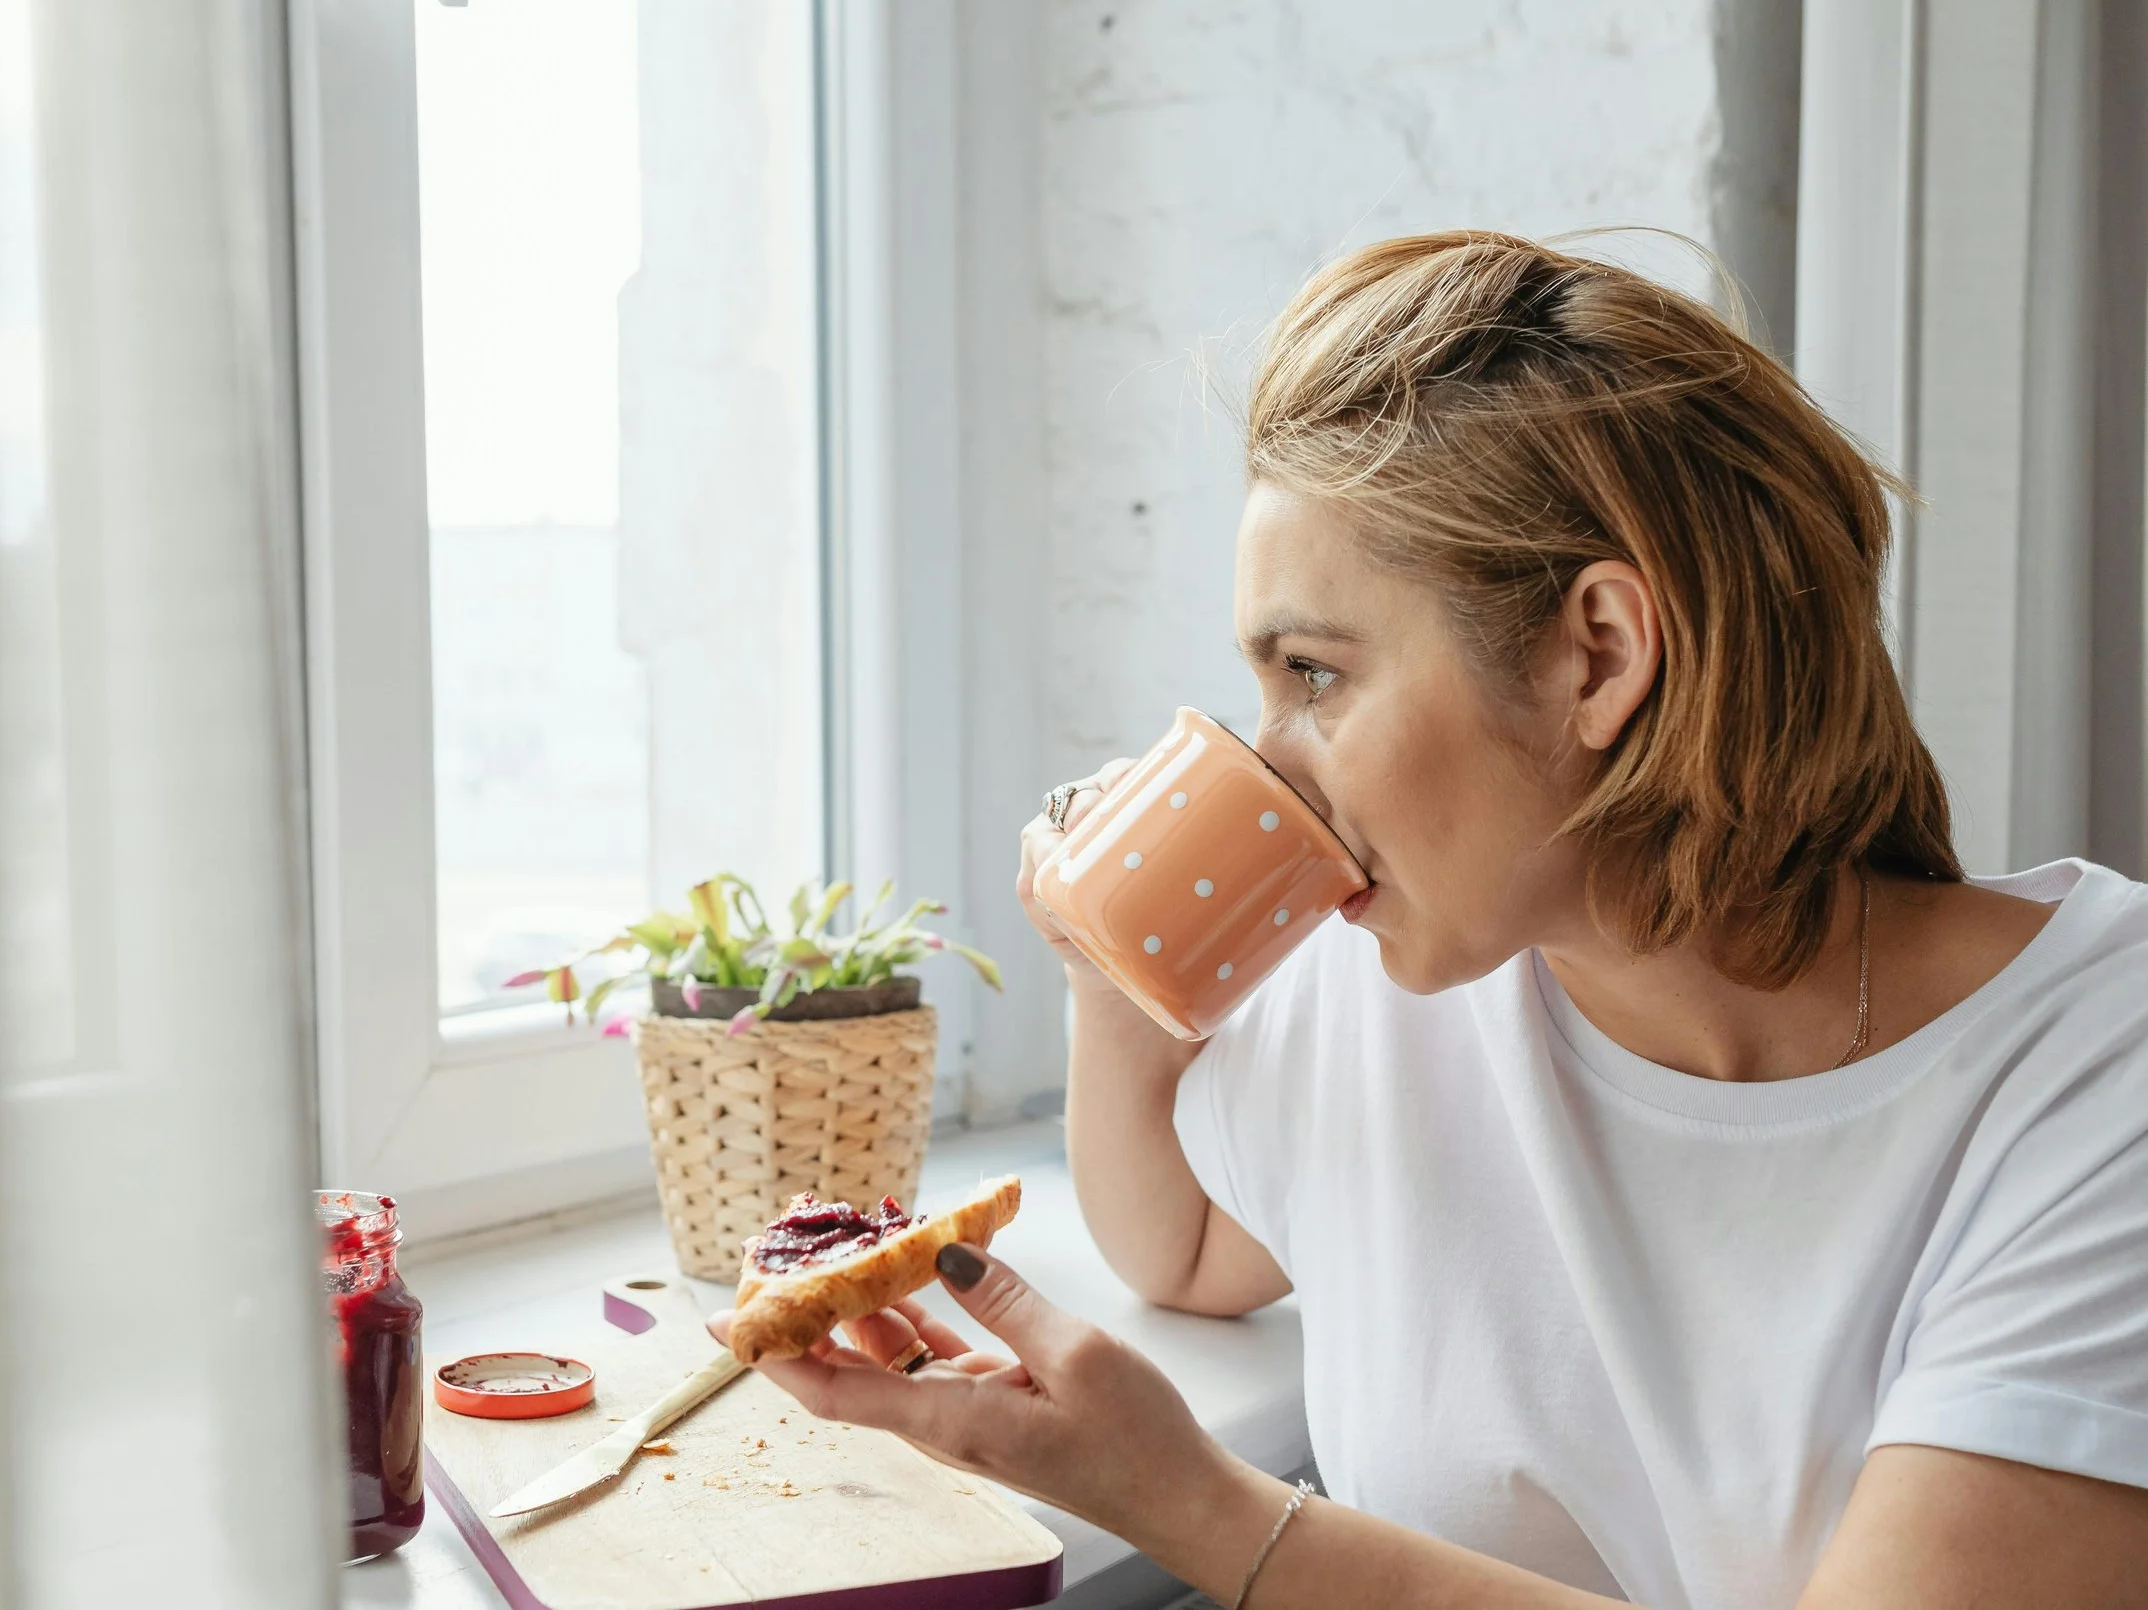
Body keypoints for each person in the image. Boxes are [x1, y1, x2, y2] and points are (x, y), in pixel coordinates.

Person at [715, 233, 2148, 1608]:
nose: (1265, 759)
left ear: (1598, 654)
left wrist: (1199, 1508)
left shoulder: (2098, 1064)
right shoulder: (1420, 966)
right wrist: (1111, 971)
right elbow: (1191, 1250)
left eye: (1316, 674)